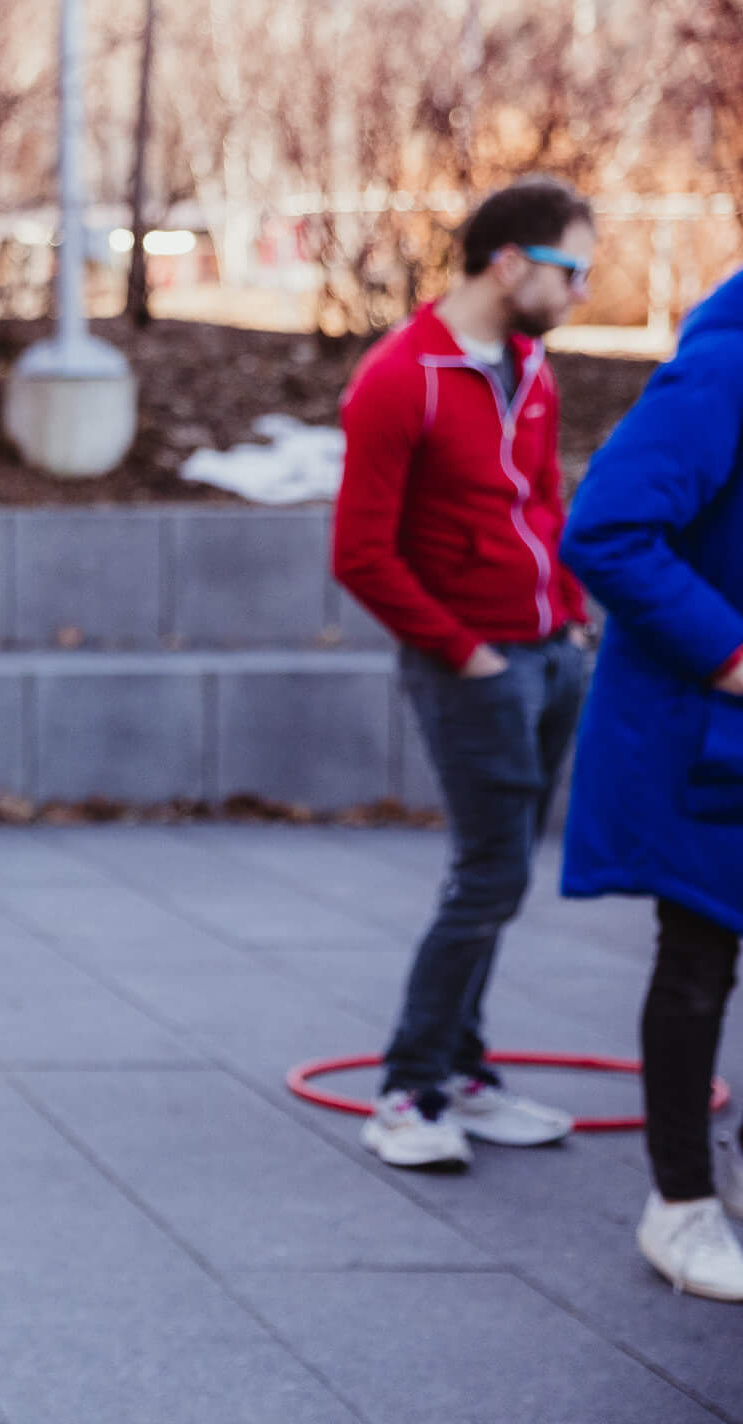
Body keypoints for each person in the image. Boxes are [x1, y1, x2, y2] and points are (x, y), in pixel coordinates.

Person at [331, 177, 598, 1171]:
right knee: (487, 874)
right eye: (572, 269)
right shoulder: (401, 377)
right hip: (472, 665)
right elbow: (359, 553)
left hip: (547, 652)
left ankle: (464, 1070)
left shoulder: (528, 365)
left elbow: (541, 504)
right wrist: (469, 653)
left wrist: (567, 622)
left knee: (503, 871)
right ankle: (407, 1088)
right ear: (511, 262)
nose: (581, 292)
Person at [558, 268, 743, 1300]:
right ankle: (677, 1209)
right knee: (696, 964)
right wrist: (729, 651)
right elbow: (607, 529)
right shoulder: (723, 369)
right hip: (704, 735)